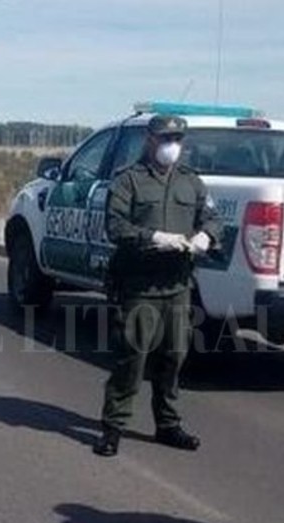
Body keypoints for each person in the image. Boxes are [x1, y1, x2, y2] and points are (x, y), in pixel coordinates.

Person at [95, 114, 222, 457]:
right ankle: (113, 427)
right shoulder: (129, 180)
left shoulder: (191, 182)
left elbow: (211, 217)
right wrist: (152, 236)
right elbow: (115, 226)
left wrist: (206, 236)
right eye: (166, 139)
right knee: (131, 359)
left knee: (174, 358)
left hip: (177, 286)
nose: (172, 146)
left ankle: (168, 424)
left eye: (177, 140)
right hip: (140, 286)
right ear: (149, 140)